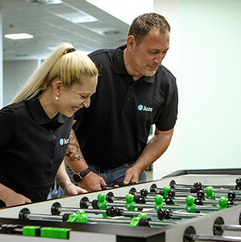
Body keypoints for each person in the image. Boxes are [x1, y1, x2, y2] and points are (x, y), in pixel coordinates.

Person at [65, 12, 178, 191]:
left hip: (127, 172)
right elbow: (64, 125)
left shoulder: (166, 83)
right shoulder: (95, 66)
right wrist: (83, 172)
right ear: (131, 43)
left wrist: (138, 167)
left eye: (164, 52)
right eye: (153, 52)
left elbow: (163, 134)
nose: (159, 60)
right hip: (80, 170)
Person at [0, 43, 98, 210]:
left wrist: (67, 185)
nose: (87, 104)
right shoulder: (13, 117)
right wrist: (7, 195)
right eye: (83, 96)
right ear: (58, 87)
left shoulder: (65, 117)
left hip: (37, 212)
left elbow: (52, 156)